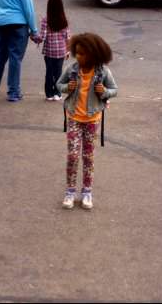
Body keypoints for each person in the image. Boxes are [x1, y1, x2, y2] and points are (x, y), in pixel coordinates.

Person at [56, 33, 117, 210]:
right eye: (78, 53)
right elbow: (58, 85)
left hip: (92, 119)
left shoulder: (103, 71)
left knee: (88, 157)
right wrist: (68, 87)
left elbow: (114, 89)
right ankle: (70, 191)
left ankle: (87, 192)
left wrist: (104, 91)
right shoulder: (72, 69)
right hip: (74, 117)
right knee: (73, 156)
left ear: (94, 54)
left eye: (83, 54)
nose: (79, 57)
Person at [32, 0, 70, 101]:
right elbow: (68, 37)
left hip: (49, 52)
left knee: (49, 73)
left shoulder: (46, 20)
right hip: (61, 52)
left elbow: (42, 37)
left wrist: (33, 37)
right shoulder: (64, 20)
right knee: (58, 73)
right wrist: (68, 51)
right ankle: (57, 93)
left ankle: (49, 94)